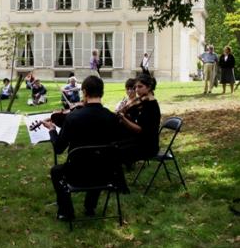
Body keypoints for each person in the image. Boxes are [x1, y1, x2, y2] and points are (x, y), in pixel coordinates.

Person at [42, 75, 122, 221]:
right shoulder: (112, 118)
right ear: (102, 92)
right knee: (100, 157)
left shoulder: (73, 118)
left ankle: (66, 212)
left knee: (56, 171)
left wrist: (52, 129)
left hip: (77, 174)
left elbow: (59, 148)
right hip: (106, 173)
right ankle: (90, 206)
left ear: (84, 92)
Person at [116, 74, 161, 165]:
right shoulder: (142, 102)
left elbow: (140, 130)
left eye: (140, 86)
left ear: (149, 88)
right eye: (136, 87)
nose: (136, 90)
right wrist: (124, 110)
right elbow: (128, 113)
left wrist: (123, 118)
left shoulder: (151, 106)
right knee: (114, 143)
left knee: (115, 150)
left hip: (147, 147)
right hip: (138, 140)